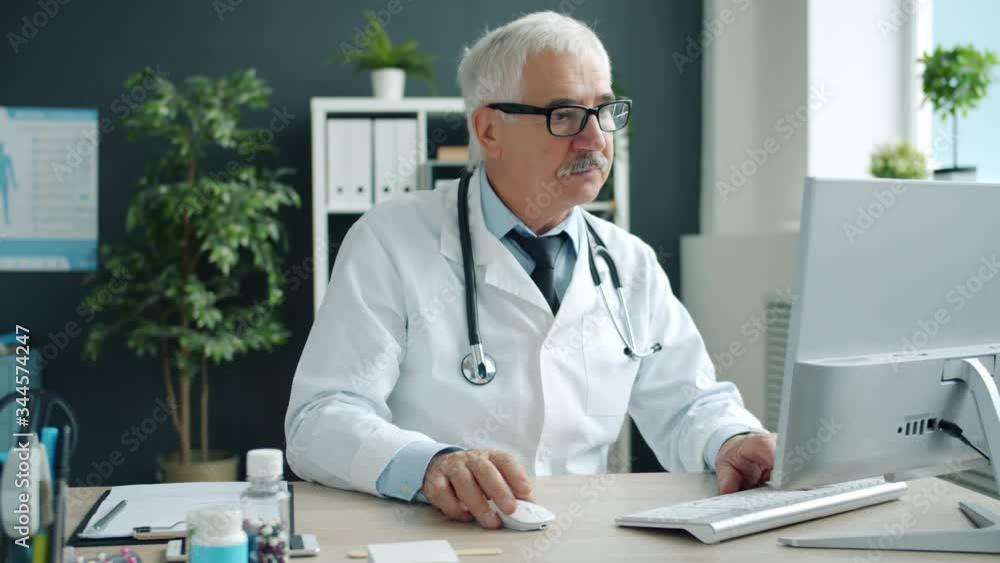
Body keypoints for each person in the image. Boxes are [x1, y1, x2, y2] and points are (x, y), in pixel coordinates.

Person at [285, 11, 775, 530]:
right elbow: (320, 419)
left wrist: (732, 440)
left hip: (581, 536)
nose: (595, 139)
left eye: (604, 111)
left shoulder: (628, 262)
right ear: (489, 130)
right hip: (430, 534)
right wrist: (430, 464)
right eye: (564, 115)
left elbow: (687, 403)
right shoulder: (389, 241)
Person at [0, 142, 17, 226]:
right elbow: (11, 172)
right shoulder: (6, 158)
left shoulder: (7, 158)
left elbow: (11, 171)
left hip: (4, 182)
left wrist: (14, 183)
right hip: (3, 181)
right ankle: (6, 219)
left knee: (5, 201)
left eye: (1, 147)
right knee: (5, 201)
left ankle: (6, 219)